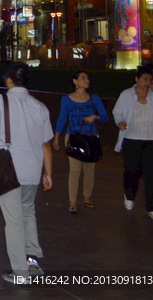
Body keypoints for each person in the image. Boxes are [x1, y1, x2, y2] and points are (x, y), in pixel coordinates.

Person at [0, 62, 53, 285]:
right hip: (33, 169)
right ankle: (32, 261)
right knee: (28, 212)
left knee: (13, 221)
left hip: (9, 169)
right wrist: (48, 173)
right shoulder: (39, 106)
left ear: (9, 80)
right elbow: (46, 144)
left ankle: (20, 273)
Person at [113, 66, 153, 220]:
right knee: (132, 171)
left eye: (150, 79)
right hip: (132, 139)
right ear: (137, 79)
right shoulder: (126, 94)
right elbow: (117, 112)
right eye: (145, 79)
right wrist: (120, 122)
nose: (148, 83)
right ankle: (129, 195)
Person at [53, 71, 108, 213]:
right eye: (83, 78)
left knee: (89, 170)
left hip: (90, 137)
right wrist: (56, 137)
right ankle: (73, 201)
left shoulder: (93, 98)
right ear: (75, 81)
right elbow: (62, 117)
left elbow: (105, 117)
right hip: (73, 137)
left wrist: (94, 116)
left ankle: (87, 197)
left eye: (87, 78)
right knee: (75, 170)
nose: (87, 80)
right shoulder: (66, 99)